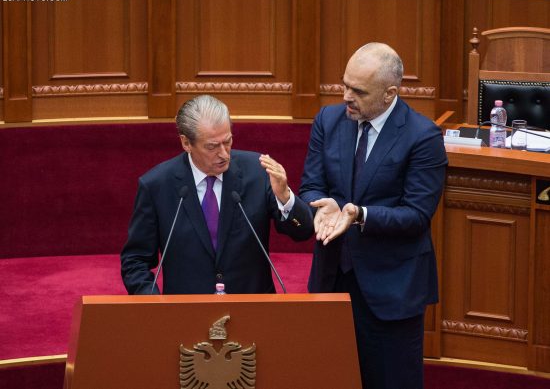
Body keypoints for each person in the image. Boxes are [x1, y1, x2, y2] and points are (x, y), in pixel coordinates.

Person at [299, 43, 448, 389]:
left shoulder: (422, 137)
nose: (346, 96)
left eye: (358, 91)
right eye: (345, 84)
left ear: (389, 93)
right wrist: (322, 205)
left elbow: (416, 215)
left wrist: (360, 214)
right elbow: (311, 185)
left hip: (391, 286)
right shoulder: (328, 119)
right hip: (333, 277)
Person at [121, 94, 313, 295]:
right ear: (186, 143)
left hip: (252, 311)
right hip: (186, 315)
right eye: (212, 146)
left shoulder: (258, 172)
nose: (224, 154)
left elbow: (303, 232)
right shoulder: (157, 185)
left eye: (227, 141)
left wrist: (284, 197)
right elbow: (135, 261)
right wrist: (155, 306)